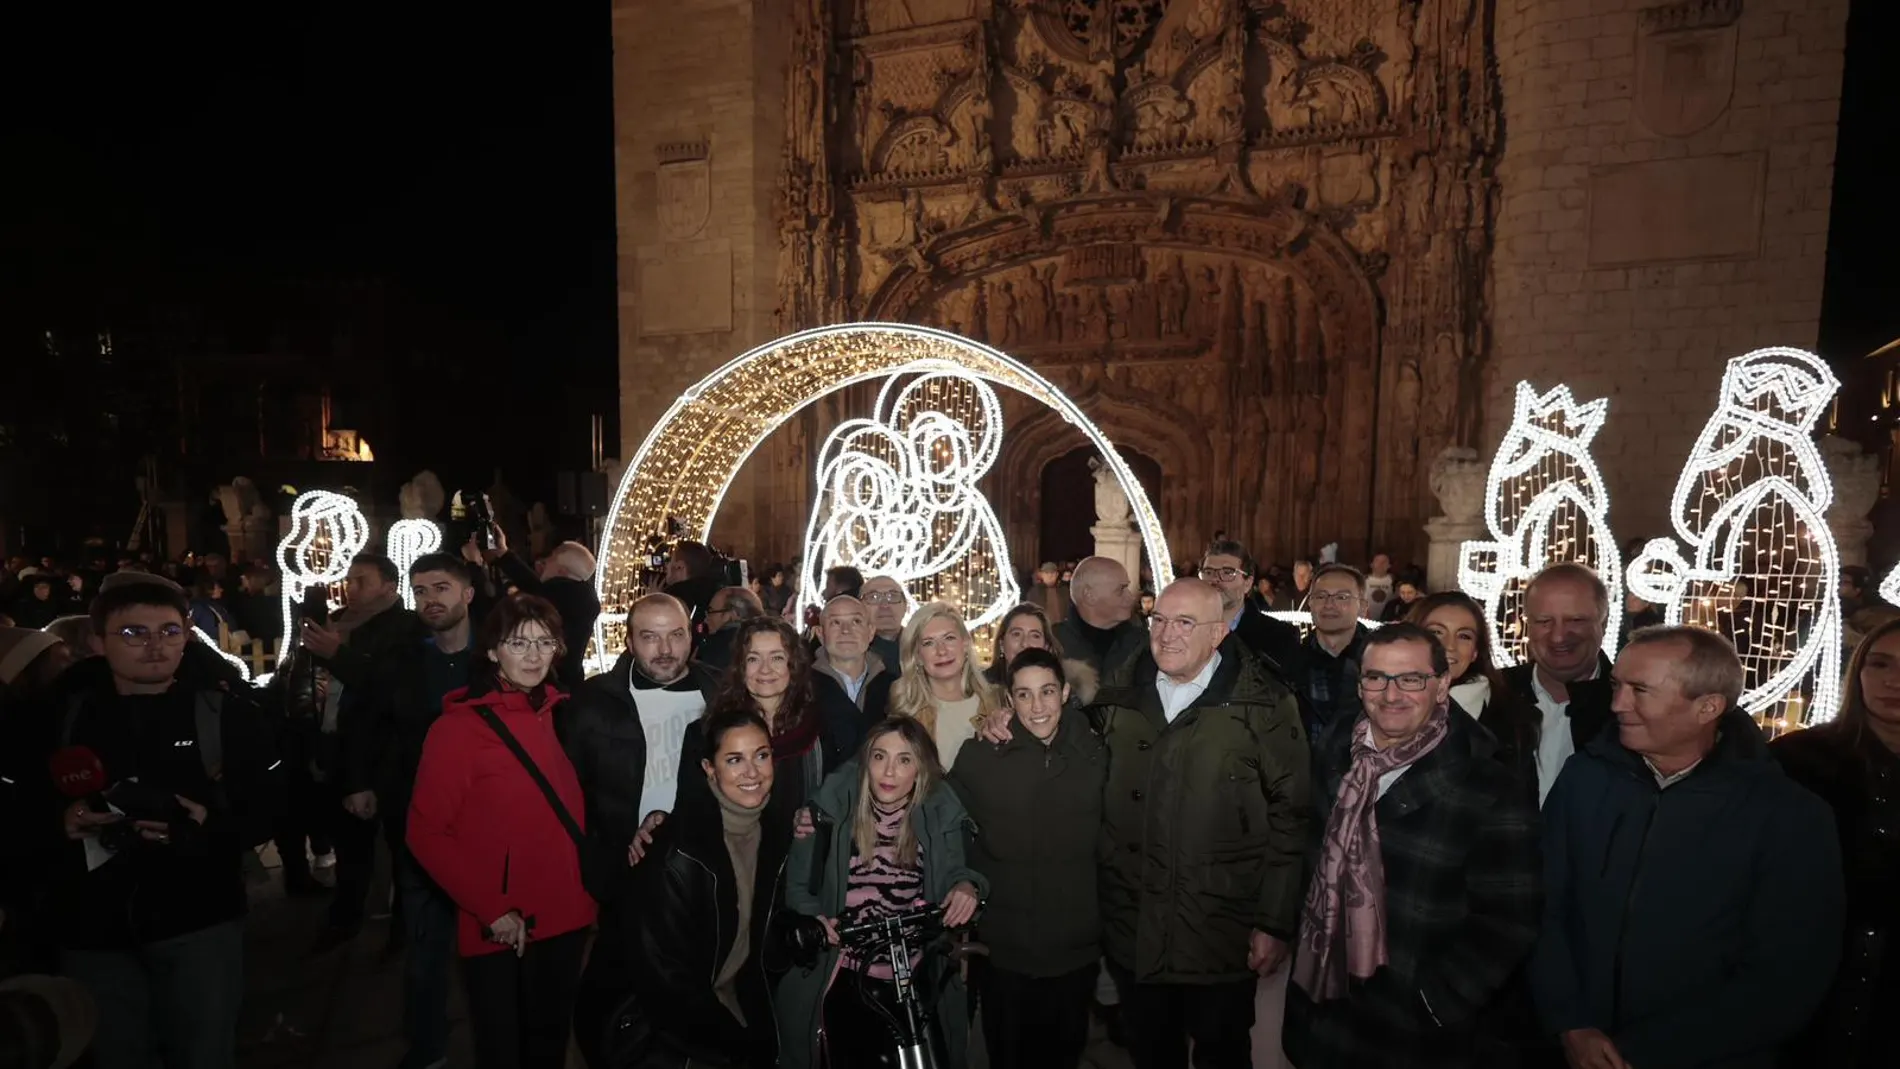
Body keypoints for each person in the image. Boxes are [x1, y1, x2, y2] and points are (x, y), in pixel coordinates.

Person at [1531, 625, 1843, 1069]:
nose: (1618, 704)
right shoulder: (1583, 778)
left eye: (1640, 690)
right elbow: (1544, 906)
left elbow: (1788, 975)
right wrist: (1570, 1023)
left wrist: (1639, 1052)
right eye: (1617, 685)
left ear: (1708, 707)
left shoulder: (1789, 816)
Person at [40, 579, 283, 1069]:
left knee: (203, 1049)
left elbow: (270, 808)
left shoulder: (228, 715)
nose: (155, 646)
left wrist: (205, 826)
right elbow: (18, 801)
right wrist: (60, 820)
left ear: (187, 635)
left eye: (169, 631)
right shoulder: (55, 717)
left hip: (199, 919)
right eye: (133, 632)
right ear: (97, 639)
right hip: (93, 927)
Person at [1284, 623, 1542, 1069]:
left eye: (1411, 679)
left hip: (1410, 1030)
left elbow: (1510, 920)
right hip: (1321, 1003)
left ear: (1441, 685)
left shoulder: (1489, 784)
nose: (1391, 694)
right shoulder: (1338, 750)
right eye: (1376, 677)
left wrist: (1435, 1001)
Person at [1090, 579, 1310, 1069]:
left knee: (1222, 1052)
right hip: (1134, 927)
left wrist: (1273, 922)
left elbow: (1291, 817)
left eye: (1185, 623)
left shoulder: (1265, 705)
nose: (1167, 635)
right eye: (1160, 620)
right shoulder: (1118, 696)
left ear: (1218, 633)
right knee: (1150, 1051)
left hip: (1220, 932)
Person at [407, 593, 595, 1069]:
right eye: (518, 642)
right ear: (492, 650)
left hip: (568, 914)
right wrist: (491, 908)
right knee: (503, 1049)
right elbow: (426, 833)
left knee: (550, 1044)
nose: (533, 655)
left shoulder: (566, 714)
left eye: (544, 642)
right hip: (503, 922)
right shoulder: (458, 731)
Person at [584, 708, 793, 1068]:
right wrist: (737, 1043)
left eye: (761, 755)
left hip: (730, 1009)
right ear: (709, 769)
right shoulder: (676, 853)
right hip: (663, 1036)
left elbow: (752, 940)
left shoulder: (774, 832)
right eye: (734, 760)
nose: (752, 772)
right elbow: (666, 985)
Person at [777, 716, 987, 1069]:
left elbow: (959, 873)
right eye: (880, 757)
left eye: (904, 760)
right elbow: (797, 888)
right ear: (865, 762)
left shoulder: (936, 814)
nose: (889, 772)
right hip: (844, 968)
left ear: (920, 769)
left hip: (913, 972)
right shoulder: (827, 813)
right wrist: (815, 917)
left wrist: (967, 888)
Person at [338, 551, 479, 1068]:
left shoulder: (496, 658)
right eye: (420, 591)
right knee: (425, 946)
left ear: (466, 593)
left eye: (440, 588)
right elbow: (365, 717)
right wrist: (359, 781)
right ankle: (428, 1049)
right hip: (420, 818)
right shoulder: (403, 657)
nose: (429, 600)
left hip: (486, 821)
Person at [948, 648, 1106, 1069]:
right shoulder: (980, 756)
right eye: (1024, 695)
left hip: (1076, 947)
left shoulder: (1098, 752)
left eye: (1047, 692)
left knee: (1064, 1055)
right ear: (1009, 701)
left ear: (1066, 692)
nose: (1037, 707)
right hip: (1004, 950)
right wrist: (961, 879)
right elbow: (946, 828)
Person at [1771, 619, 1900, 1068]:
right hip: (1803, 981)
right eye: (1880, 664)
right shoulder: (1799, 760)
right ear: (1858, 671)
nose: (1893, 681)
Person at [283, 552, 425, 947]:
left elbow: (390, 690)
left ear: (389, 585)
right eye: (349, 579)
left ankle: (403, 928)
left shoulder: (406, 628)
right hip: (337, 746)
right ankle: (345, 918)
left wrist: (338, 655)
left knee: (399, 849)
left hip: (386, 754)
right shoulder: (340, 623)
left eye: (362, 580)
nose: (351, 587)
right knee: (351, 845)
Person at [558, 593, 720, 900]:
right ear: (630, 643)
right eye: (650, 637)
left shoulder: (721, 693)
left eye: (676, 635)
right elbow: (571, 790)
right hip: (623, 870)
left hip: (705, 860)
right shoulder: (594, 701)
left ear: (691, 636)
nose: (665, 650)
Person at [703, 616, 844, 811]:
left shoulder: (824, 722)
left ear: (793, 664)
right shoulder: (710, 729)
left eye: (777, 658)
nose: (765, 669)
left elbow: (843, 786)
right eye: (753, 659)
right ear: (740, 667)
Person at [1408, 591, 1537, 798]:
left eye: (1464, 636)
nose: (1449, 646)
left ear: (1475, 651)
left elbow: (1518, 817)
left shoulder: (1513, 723)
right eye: (1436, 633)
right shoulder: (1375, 704)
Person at [1503, 563, 1614, 805]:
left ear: (1603, 624)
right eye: (1544, 621)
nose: (1558, 636)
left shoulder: (1631, 706)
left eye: (1575, 620)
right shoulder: (1493, 694)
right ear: (1528, 626)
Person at [885, 601, 1000, 769]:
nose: (942, 651)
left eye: (949, 638)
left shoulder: (998, 702)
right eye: (929, 643)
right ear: (917, 656)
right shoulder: (906, 712)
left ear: (966, 644)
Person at [479, 529, 601, 686]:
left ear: (561, 571)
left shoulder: (570, 596)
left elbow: (536, 589)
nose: (543, 564)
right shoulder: (576, 598)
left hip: (554, 686)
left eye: (550, 560)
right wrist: (503, 554)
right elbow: (536, 587)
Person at [1203, 539, 1305, 687]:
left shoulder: (1280, 637)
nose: (1215, 580)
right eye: (1208, 572)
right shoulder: (1180, 630)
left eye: (1227, 573)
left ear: (1248, 583)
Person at [811, 595, 897, 757]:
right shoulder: (802, 689)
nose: (846, 630)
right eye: (835, 622)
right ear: (821, 634)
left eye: (856, 622)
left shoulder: (895, 688)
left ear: (871, 632)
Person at [1297, 564, 1372, 745]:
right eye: (1321, 596)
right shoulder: (1287, 659)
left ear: (1362, 606)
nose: (1329, 605)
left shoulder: (1382, 660)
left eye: (1342, 597)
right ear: (1310, 603)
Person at [1053, 555, 1146, 681]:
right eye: (1121, 590)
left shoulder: (1143, 643)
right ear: (1089, 595)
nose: (1130, 597)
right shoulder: (1052, 644)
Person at [698, 585, 764, 674]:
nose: (706, 619)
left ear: (734, 614)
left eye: (711, 611)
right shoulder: (768, 642)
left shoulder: (717, 646)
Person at [858, 574, 906, 669]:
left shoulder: (921, 645)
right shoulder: (850, 651)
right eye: (873, 597)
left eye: (892, 596)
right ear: (859, 607)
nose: (884, 605)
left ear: (905, 606)